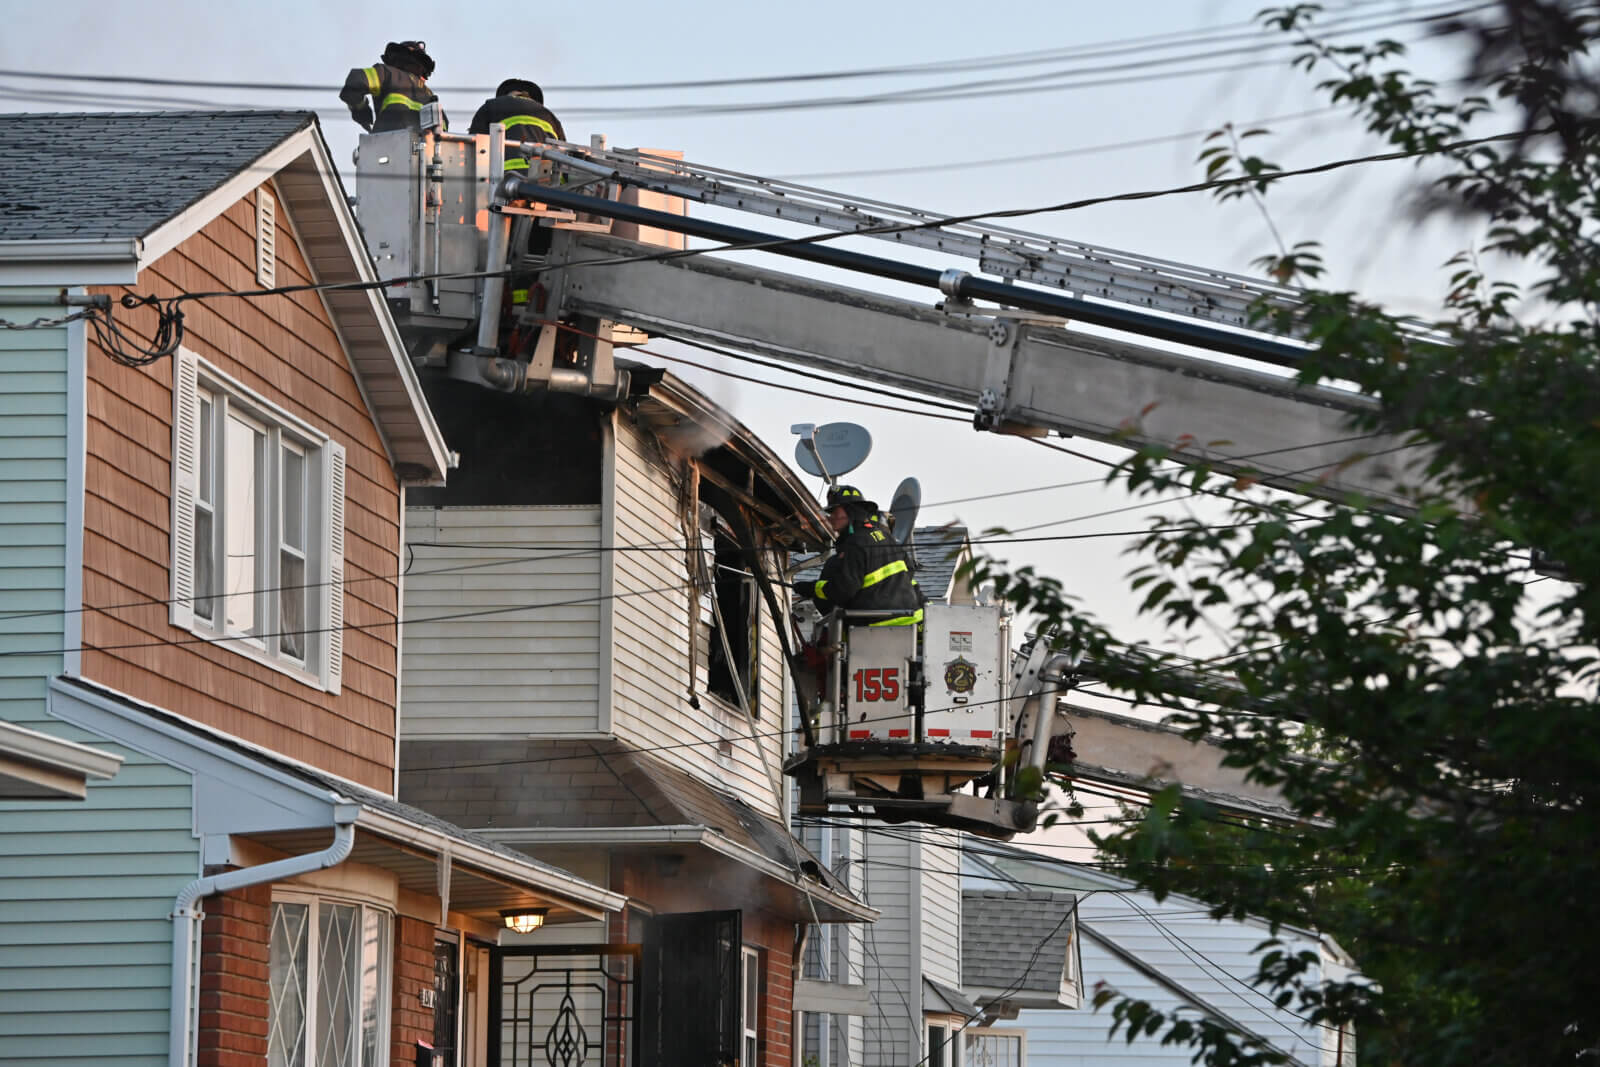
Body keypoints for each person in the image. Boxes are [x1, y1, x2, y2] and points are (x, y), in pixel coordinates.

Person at [796, 485, 923, 627]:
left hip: (877, 627)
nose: (831, 518)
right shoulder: (884, 536)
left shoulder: (856, 542)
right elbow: (909, 568)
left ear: (851, 512)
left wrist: (811, 588)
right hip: (910, 621)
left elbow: (843, 591)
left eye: (835, 512)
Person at [340, 41, 441, 134]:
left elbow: (355, 82)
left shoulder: (387, 73)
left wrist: (361, 109)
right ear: (420, 67)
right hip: (424, 151)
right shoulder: (431, 97)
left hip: (386, 147)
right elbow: (443, 132)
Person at [468, 79, 566, 173]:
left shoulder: (491, 106)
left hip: (504, 180)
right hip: (547, 185)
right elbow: (567, 157)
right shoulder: (551, 117)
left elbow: (472, 147)